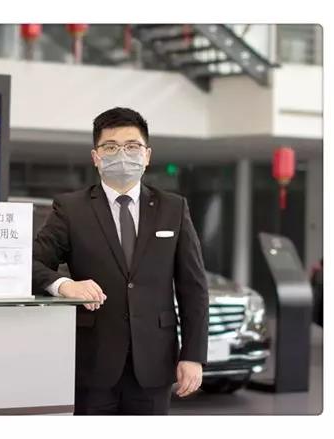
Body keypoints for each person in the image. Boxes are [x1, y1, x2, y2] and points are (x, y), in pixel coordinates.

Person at [32, 107, 209, 415]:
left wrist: (193, 355)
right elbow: (29, 263)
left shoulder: (173, 208)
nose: (122, 154)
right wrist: (63, 285)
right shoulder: (71, 209)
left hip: (154, 361)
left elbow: (193, 288)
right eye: (111, 147)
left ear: (147, 155)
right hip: (92, 360)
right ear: (96, 157)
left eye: (132, 146)